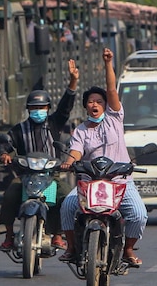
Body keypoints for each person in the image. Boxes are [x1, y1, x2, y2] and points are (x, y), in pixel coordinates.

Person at [58, 48, 147, 264]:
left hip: (120, 182)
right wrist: (69, 161)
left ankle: (128, 249)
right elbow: (77, 150)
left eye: (99, 101)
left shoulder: (114, 119)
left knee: (138, 214)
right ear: (86, 107)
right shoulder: (81, 130)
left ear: (106, 105)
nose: (95, 104)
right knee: (67, 207)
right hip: (90, 183)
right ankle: (71, 247)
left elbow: (112, 90)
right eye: (90, 101)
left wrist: (108, 63)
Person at [0, 60, 80, 252]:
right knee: (10, 196)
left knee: (66, 198)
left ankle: (58, 234)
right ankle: (9, 235)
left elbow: (66, 107)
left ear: (48, 109)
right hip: (26, 177)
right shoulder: (19, 129)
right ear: (28, 110)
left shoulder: (54, 123)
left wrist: (73, 81)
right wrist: (4, 155)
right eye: (34, 108)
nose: (38, 111)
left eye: (41, 108)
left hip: (52, 176)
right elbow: (5, 143)